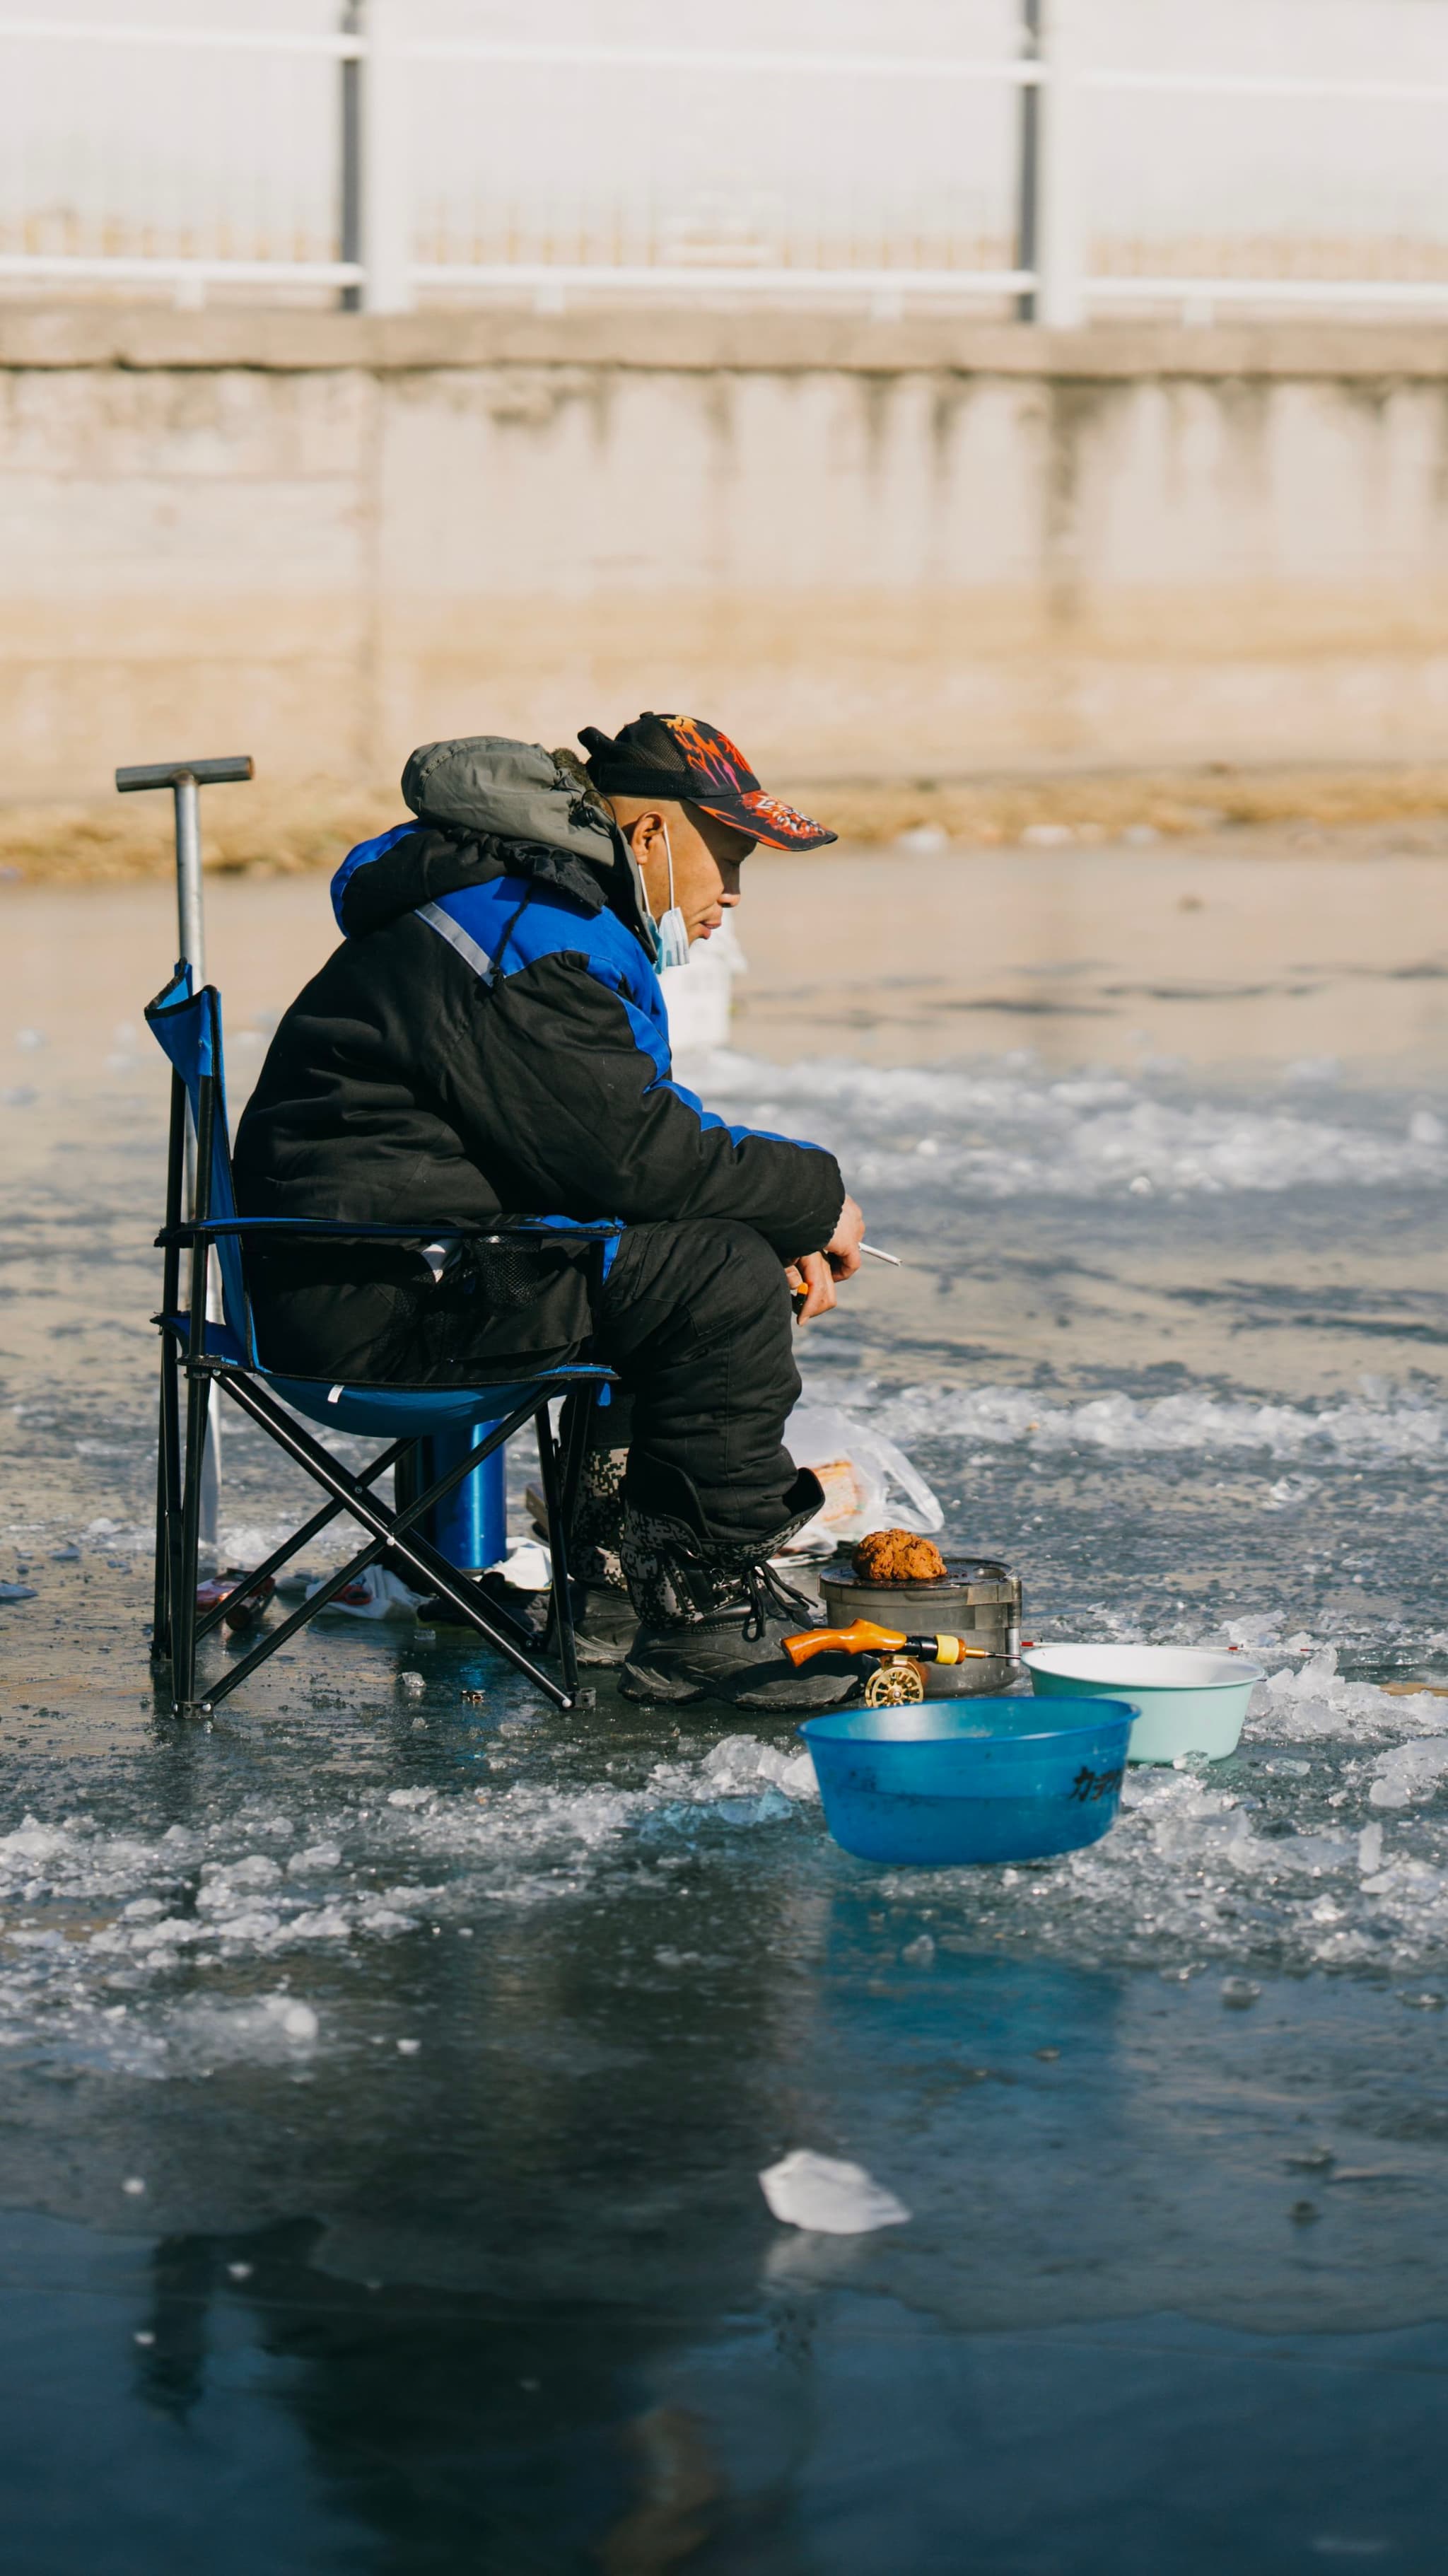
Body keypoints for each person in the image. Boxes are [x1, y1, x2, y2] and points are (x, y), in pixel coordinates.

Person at [233, 714, 866, 1708]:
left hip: (393, 1271)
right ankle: (705, 1618)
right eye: (730, 856)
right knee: (715, 1278)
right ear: (649, 837)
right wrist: (813, 1202)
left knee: (685, 1256)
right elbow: (631, 1159)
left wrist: (768, 1213)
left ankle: (614, 1591)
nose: (735, 893)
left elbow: (604, 1149)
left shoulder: (526, 914)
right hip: (382, 1304)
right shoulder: (530, 935)